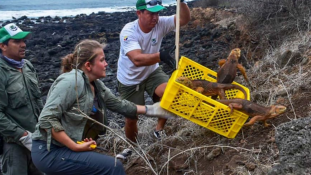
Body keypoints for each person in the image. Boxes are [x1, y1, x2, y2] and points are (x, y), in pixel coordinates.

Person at [31, 39, 176, 175]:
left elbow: (118, 104)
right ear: (88, 65)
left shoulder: (95, 84)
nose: (106, 64)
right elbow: (47, 119)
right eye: (102, 60)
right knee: (114, 167)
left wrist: (154, 110)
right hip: (49, 151)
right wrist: (74, 146)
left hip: (65, 148)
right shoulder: (71, 81)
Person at [117, 0, 190, 142]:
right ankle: (133, 147)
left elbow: (184, 19)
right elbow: (136, 59)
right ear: (139, 13)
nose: (155, 17)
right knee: (131, 118)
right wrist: (161, 56)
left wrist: (182, 2)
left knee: (170, 94)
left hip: (152, 72)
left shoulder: (160, 23)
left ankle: (158, 130)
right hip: (130, 80)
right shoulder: (128, 31)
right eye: (151, 13)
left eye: (157, 13)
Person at [0, 23, 43, 175]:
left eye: (24, 41)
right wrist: (22, 135)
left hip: (37, 140)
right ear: (3, 46)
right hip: (14, 144)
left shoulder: (27, 66)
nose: (23, 45)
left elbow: (38, 101)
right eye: (17, 41)